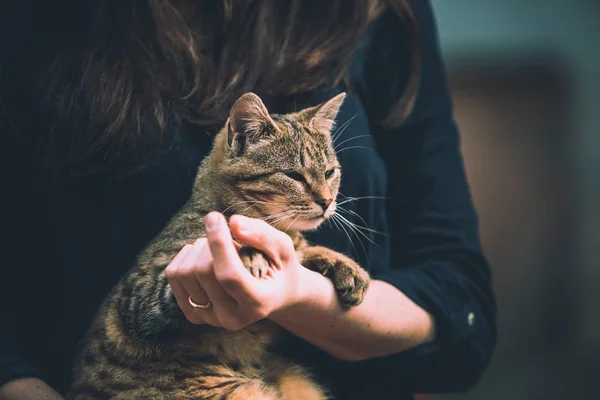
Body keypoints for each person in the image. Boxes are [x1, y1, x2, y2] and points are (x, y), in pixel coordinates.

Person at [0, 1, 496, 399]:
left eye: (329, 177)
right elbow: (142, 317)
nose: (325, 200)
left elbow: (458, 296)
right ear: (238, 140)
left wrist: (299, 292)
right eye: (302, 182)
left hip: (281, 373)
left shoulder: (379, 14)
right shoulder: (39, 18)